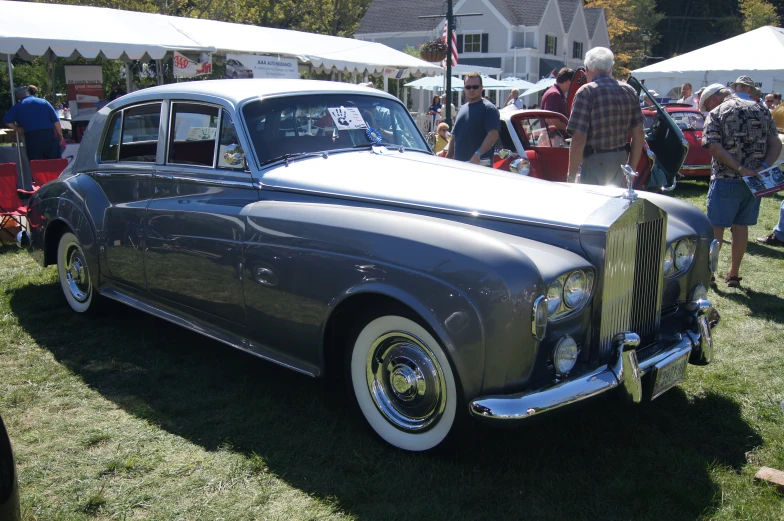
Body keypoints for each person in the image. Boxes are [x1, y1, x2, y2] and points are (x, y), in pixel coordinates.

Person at [700, 81, 781, 287]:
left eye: (706, 106)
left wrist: (739, 168)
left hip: (726, 178)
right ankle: (734, 274)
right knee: (741, 227)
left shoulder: (717, 112)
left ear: (713, 99)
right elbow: (776, 144)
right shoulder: (761, 109)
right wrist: (762, 167)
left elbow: (716, 149)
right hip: (754, 182)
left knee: (716, 228)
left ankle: (709, 274)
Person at [566, 47, 644, 186]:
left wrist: (571, 176)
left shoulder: (586, 92)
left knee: (592, 205)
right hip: (621, 159)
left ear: (587, 68)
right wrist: (630, 169)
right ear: (610, 68)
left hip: (594, 160)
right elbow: (638, 135)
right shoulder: (629, 91)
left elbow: (578, 140)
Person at [445, 72, 500, 165]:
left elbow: (493, 134)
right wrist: (448, 157)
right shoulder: (462, 108)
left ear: (481, 88)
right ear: (464, 88)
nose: (471, 90)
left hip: (480, 165)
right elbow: (455, 136)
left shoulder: (489, 108)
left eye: (475, 87)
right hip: (460, 165)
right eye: (468, 87)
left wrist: (478, 154)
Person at [2, 85, 64, 161]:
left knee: (36, 165)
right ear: (28, 93)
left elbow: (6, 121)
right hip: (48, 136)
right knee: (54, 163)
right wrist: (60, 136)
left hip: (32, 138)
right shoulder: (44, 102)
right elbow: (56, 121)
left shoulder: (18, 106)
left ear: (18, 97)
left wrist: (17, 128)